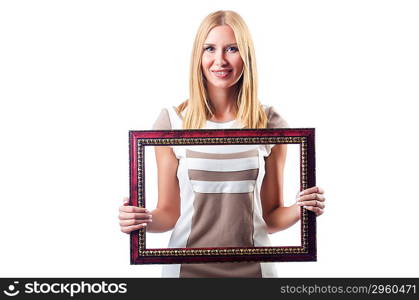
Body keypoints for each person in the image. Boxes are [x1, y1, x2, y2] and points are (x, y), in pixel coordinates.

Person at [119, 10, 326, 277]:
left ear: (246, 56)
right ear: (198, 56)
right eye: (209, 49)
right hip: (185, 269)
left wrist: (303, 209)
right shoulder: (172, 121)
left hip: (255, 269)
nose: (220, 60)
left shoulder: (270, 122)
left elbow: (271, 217)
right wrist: (139, 220)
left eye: (232, 49)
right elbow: (169, 214)